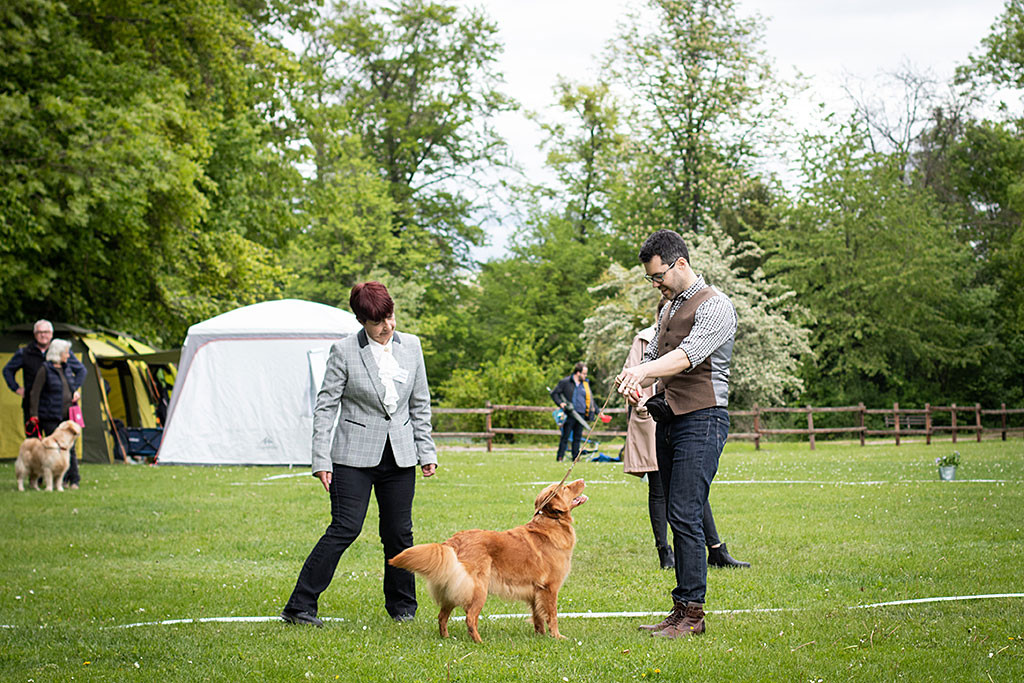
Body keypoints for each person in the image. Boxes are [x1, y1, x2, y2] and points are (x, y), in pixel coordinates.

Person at [281, 282, 438, 628]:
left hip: (400, 456)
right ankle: (299, 606)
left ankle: (403, 609)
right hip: (352, 457)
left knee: (399, 533)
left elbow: (420, 404)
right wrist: (321, 460)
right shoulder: (344, 351)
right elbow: (326, 407)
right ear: (362, 320)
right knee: (345, 528)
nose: (387, 326)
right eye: (378, 321)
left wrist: (425, 451)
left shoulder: (412, 347)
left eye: (390, 316)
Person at [615, 229, 737, 639]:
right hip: (669, 418)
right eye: (651, 279)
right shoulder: (665, 309)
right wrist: (638, 390)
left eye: (658, 276)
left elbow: (689, 355)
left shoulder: (717, 306)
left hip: (703, 419)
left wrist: (642, 372)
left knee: (685, 511)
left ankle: (694, 616)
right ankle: (680, 608)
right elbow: (653, 357)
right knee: (674, 512)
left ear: (680, 263)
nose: (656, 284)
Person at [622, 307, 749, 572]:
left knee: (690, 490)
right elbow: (633, 374)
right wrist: (637, 396)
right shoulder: (645, 338)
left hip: (687, 416)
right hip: (651, 417)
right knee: (660, 490)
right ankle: (665, 552)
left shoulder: (696, 334)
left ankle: (714, 550)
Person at [27, 338, 87, 489]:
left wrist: (75, 392)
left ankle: (73, 480)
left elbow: (72, 385)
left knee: (69, 449)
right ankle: (42, 480)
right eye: (66, 352)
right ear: (58, 353)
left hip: (66, 416)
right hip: (50, 415)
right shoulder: (45, 369)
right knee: (50, 451)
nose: (68, 355)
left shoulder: (66, 368)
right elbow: (35, 393)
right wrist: (34, 414)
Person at [4, 320, 85, 425]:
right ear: (34, 334)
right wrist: (16, 388)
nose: (43, 335)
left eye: (46, 332)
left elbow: (81, 370)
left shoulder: (61, 352)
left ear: (51, 334)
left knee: (55, 440)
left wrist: (73, 390)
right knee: (33, 440)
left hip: (55, 409)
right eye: (39, 332)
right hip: (32, 406)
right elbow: (7, 370)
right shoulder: (24, 352)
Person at [550, 362, 593, 462]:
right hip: (569, 414)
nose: (585, 376)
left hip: (581, 414)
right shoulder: (565, 382)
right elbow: (554, 393)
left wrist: (597, 411)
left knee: (577, 438)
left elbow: (590, 399)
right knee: (565, 437)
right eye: (584, 373)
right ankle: (560, 457)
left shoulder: (585, 384)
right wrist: (560, 403)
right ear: (578, 373)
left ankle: (575, 458)